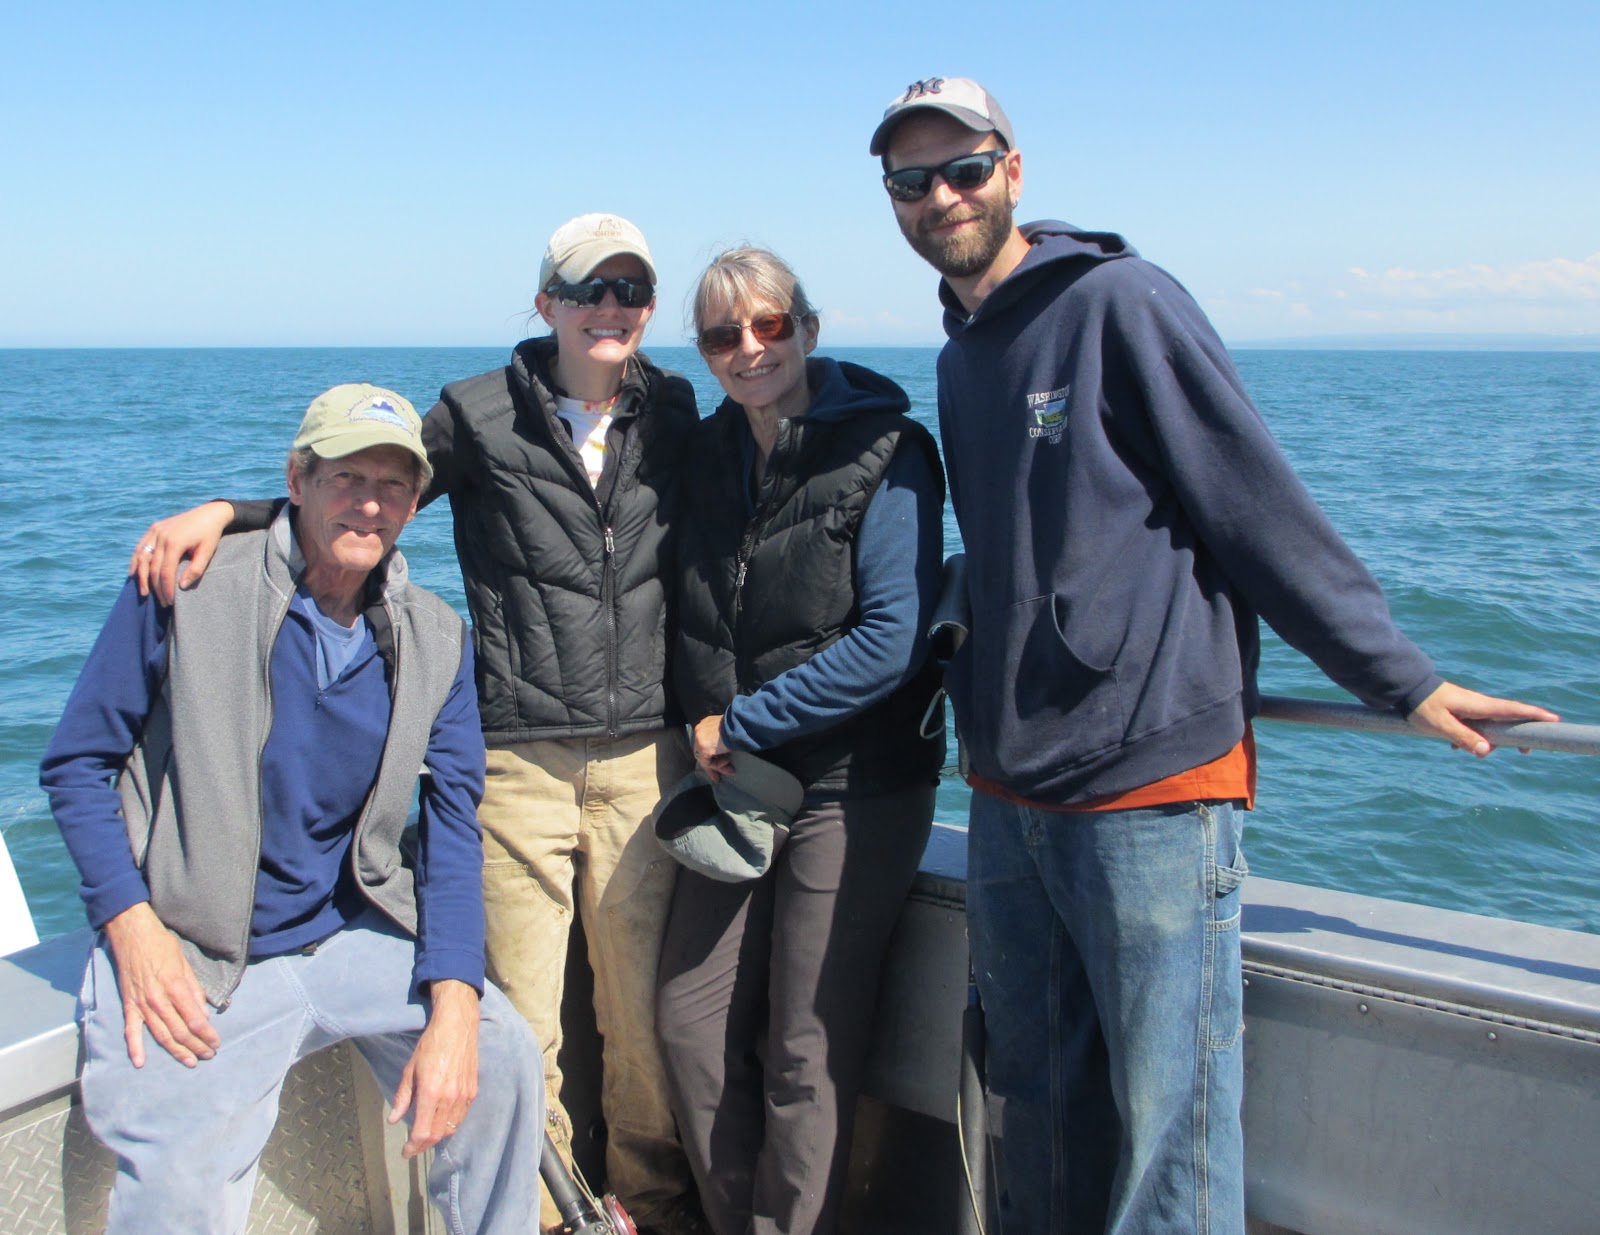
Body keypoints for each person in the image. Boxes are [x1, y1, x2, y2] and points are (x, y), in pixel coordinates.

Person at [868, 77, 1561, 1235]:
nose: (941, 195)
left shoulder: (1120, 303)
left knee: (1171, 1132)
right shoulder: (961, 356)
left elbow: (1254, 505)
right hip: (1008, 786)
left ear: (1013, 171)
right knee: (1036, 1101)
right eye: (910, 179)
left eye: (965, 168)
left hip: (1149, 779)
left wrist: (1397, 678)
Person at [123, 216, 706, 1235]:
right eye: (586, 288)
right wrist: (233, 511)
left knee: (643, 1026)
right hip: (517, 758)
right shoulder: (476, 413)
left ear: (649, 306)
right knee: (521, 1019)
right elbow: (366, 498)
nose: (608, 307)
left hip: (644, 756)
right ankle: (547, 1216)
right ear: (547, 302)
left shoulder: (678, 411)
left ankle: (651, 1209)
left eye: (629, 289)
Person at [40, 384, 544, 1233]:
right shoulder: (187, 584)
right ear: (297, 479)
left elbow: (454, 826)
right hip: (195, 948)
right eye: (346, 476)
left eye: (392, 485)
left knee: (502, 1052)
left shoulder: (435, 638)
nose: (369, 502)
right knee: (178, 1188)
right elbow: (76, 765)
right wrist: (131, 926)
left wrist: (458, 998)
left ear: (415, 504)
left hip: (349, 930)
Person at [653, 247, 947, 1235]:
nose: (749, 348)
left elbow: (891, 640)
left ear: (808, 329)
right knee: (690, 1025)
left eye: (769, 324)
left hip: (853, 781)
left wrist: (737, 721)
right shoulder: (704, 453)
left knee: (804, 1048)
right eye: (722, 334)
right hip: (739, 782)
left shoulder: (887, 449)